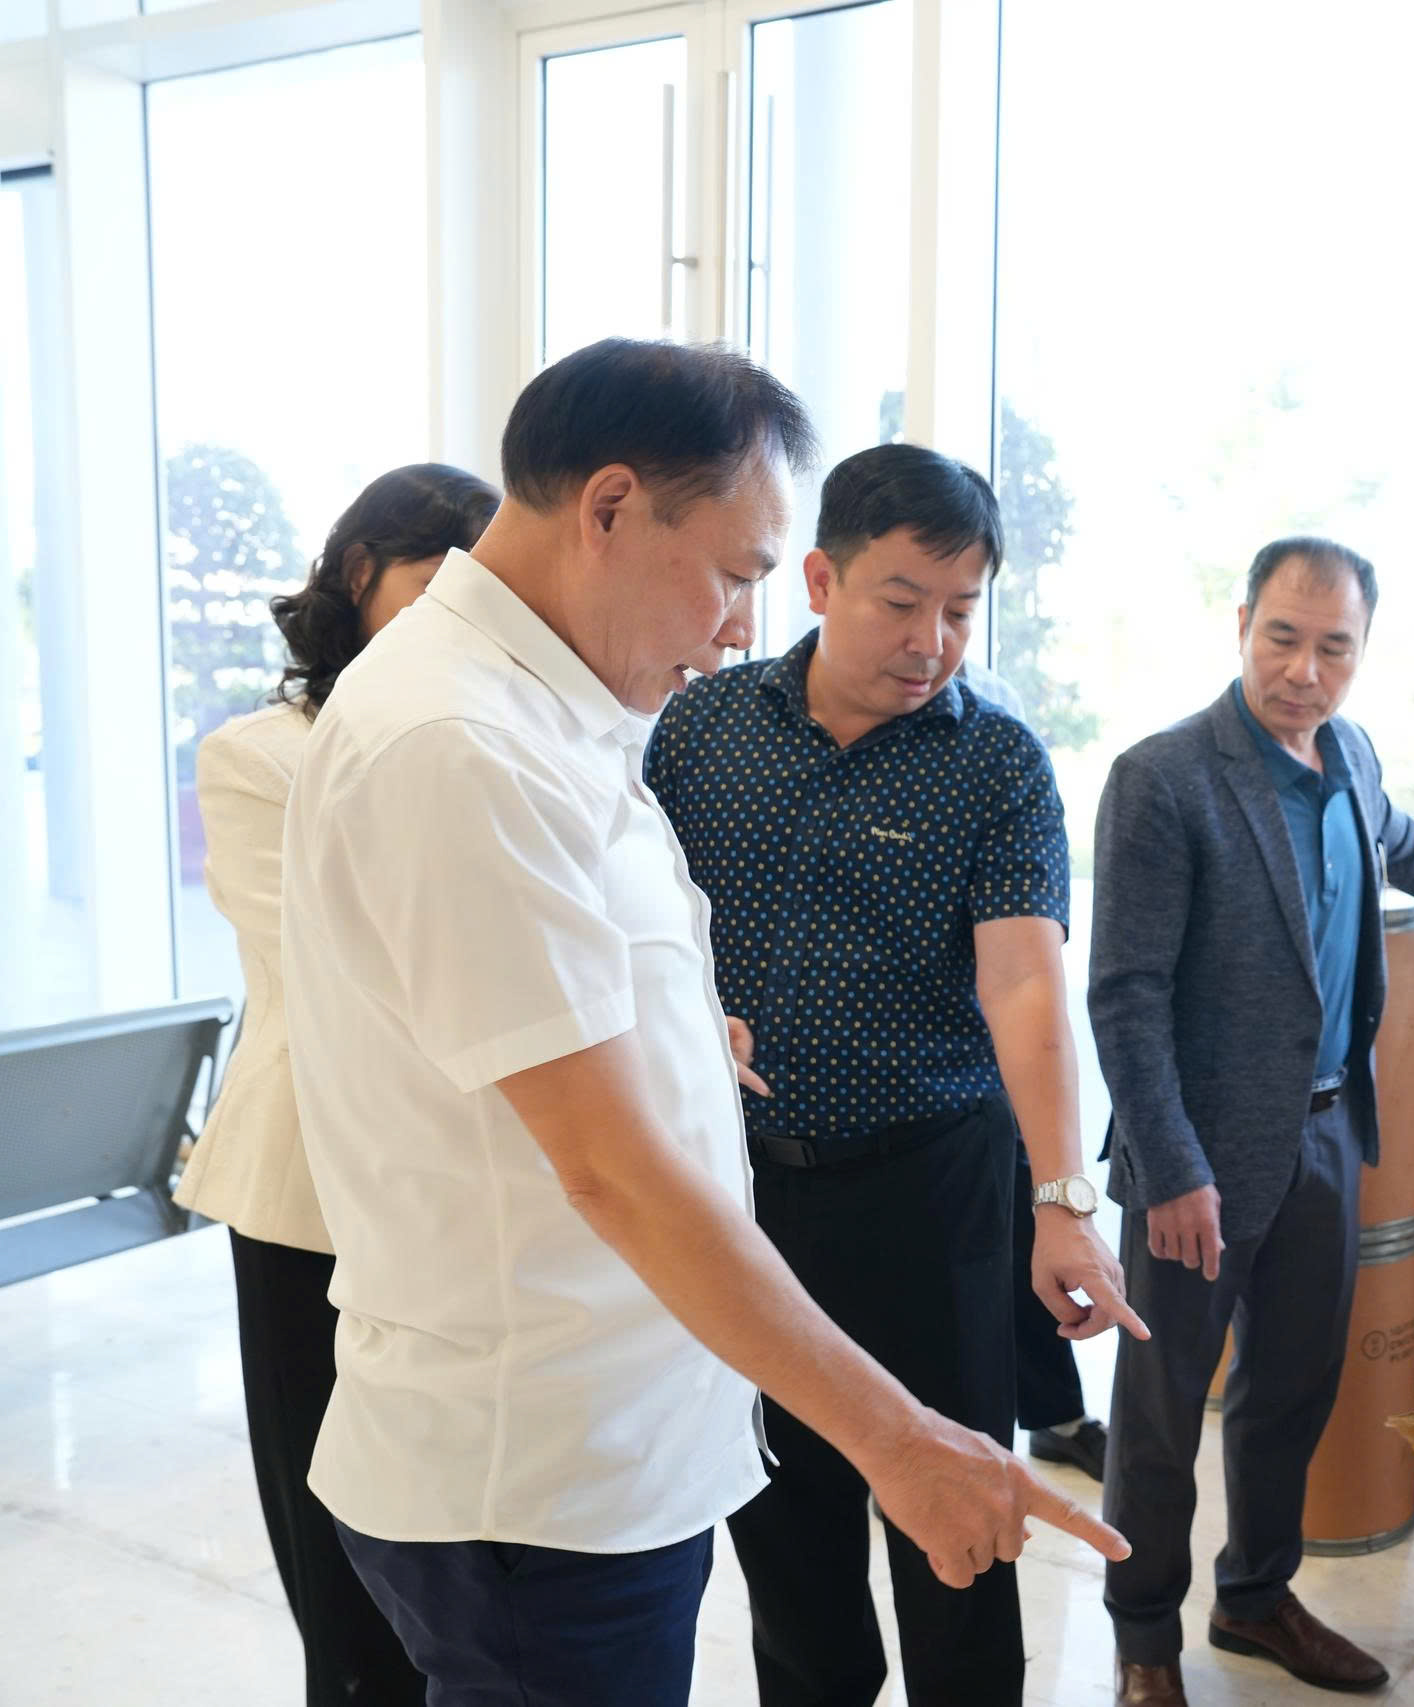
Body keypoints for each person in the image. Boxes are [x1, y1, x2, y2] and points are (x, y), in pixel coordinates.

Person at [280, 340, 1125, 1707]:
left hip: (635, 1413)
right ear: (611, 507)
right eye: (735, 574)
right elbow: (607, 1167)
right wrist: (899, 1440)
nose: (738, 625)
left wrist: (680, 1034)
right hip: (539, 1476)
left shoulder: (553, 709)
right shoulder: (464, 744)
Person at [644, 441, 1142, 1707]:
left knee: (961, 1514)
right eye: (902, 602)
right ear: (820, 580)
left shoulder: (996, 762)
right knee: (781, 1516)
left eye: (961, 611)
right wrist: (686, 1018)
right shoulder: (702, 727)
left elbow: (1024, 987)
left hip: (932, 1197)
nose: (932, 643)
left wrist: (1063, 1202)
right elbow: (636, 914)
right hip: (742, 1190)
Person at [1089, 537, 1414, 1707]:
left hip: (1323, 1136)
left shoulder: (1349, 753)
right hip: (1195, 1159)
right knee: (1161, 1416)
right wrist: (1171, 1168)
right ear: (1241, 624)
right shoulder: (1163, 778)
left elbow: (1402, 845)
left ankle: (1255, 1598)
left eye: (1334, 649)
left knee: (1292, 1389)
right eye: (1282, 638)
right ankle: (1143, 1639)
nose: (1304, 672)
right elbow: (1126, 994)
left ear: (1361, 653)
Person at [175, 462, 498, 1707]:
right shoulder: (260, 755)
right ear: (356, 576)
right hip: (307, 1190)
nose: (457, 615)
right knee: (337, 1557)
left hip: (460, 1196)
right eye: (431, 583)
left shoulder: (493, 744)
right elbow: (341, 966)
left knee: (449, 1549)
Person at [958, 654, 1112, 1481]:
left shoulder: (996, 711)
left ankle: (1057, 1416)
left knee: (1030, 1226)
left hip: (1000, 1053)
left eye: (958, 606)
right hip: (920, 1071)